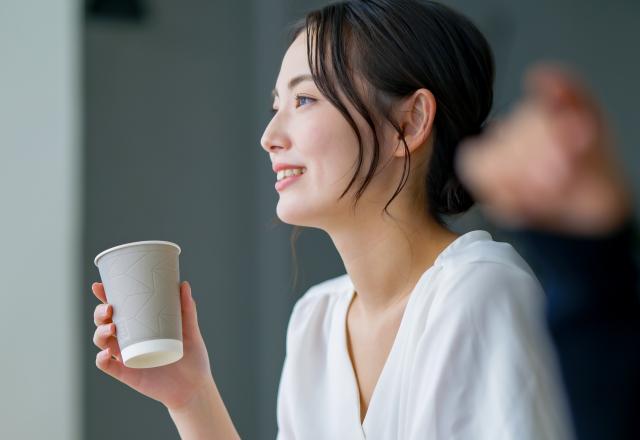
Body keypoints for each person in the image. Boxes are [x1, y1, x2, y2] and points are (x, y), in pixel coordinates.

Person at [92, 1, 574, 438]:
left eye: (304, 100)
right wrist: (190, 395)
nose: (269, 136)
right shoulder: (316, 322)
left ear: (408, 124)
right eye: (276, 106)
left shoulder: (479, 294)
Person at [455, 64, 640, 440]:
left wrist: (585, 255)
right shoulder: (316, 311)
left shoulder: (478, 284)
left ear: (411, 122)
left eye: (307, 99)